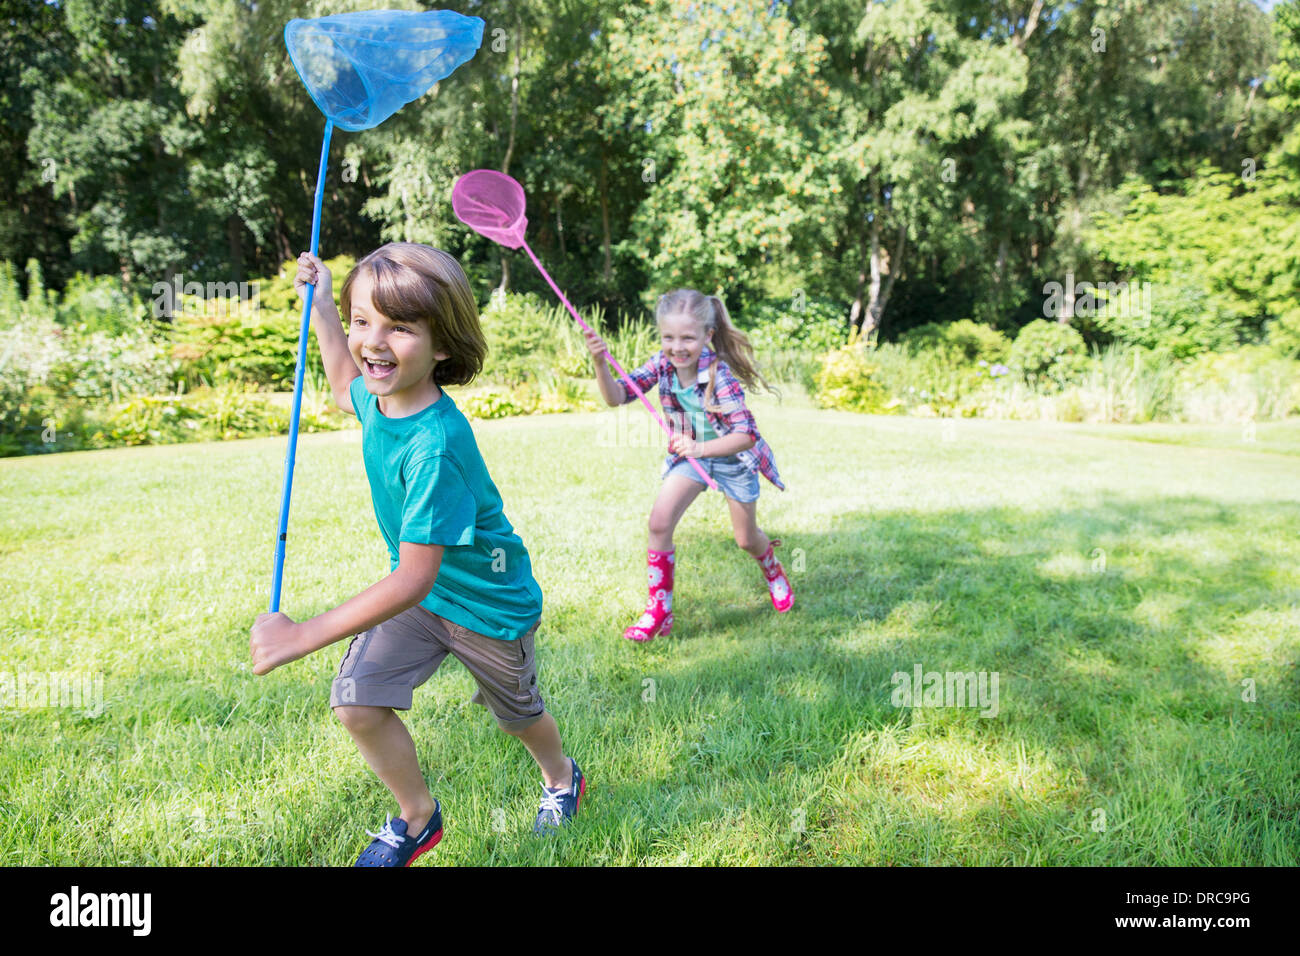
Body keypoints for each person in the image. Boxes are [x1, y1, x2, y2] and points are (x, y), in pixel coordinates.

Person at [249, 243, 583, 866]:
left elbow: (411, 576)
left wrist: (302, 636)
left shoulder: (435, 446)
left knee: (516, 715)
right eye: (363, 320)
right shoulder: (379, 399)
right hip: (424, 598)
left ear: (444, 345)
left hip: (486, 605)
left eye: (399, 326)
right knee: (356, 701)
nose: (373, 340)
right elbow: (342, 381)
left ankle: (562, 777)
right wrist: (324, 308)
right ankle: (416, 817)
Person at [585, 288, 792, 643]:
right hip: (691, 460)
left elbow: (746, 435)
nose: (677, 347)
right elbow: (617, 397)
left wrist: (700, 447)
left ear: (707, 337)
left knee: (745, 539)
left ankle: (771, 567)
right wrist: (600, 363)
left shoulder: (719, 374)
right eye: (668, 337)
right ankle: (659, 611)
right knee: (659, 522)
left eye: (687, 338)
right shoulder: (661, 365)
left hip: (732, 460)